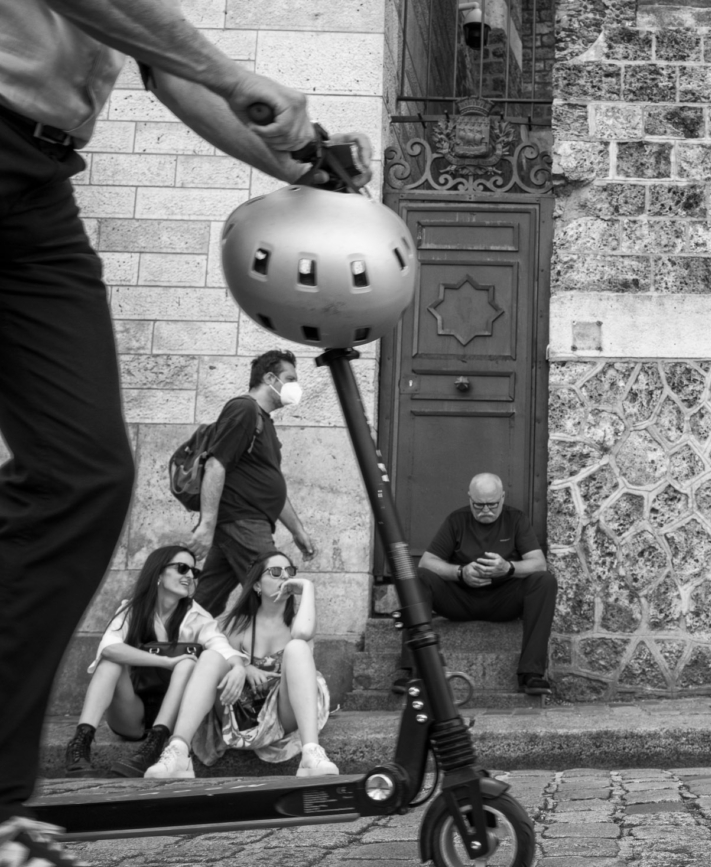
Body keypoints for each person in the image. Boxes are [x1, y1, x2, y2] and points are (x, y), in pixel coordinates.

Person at [0, 0, 370, 855]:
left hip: (41, 181)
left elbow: (166, 69)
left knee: (81, 478)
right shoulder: (245, 409)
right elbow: (194, 65)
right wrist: (232, 72)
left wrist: (307, 172)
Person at [145, 551, 338, 778]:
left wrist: (307, 587)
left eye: (290, 572)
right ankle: (178, 751)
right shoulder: (238, 624)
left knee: (297, 647)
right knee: (210, 656)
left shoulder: (298, 622)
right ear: (257, 584)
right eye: (276, 572)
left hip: (282, 711)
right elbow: (222, 660)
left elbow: (303, 633)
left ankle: (311, 754)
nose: (285, 577)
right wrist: (244, 668)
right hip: (238, 709)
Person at [63, 545, 242, 778]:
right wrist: (165, 662)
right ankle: (80, 743)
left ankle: (156, 744)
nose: (189, 575)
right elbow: (108, 647)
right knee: (110, 662)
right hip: (132, 713)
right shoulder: (132, 610)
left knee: (187, 663)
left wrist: (238, 666)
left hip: (175, 716)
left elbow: (222, 647)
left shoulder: (197, 617)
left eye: (194, 572)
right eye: (182, 568)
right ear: (158, 573)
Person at [399, 473, 557, 696]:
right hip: (460, 599)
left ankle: (531, 674)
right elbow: (427, 562)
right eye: (478, 505)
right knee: (420, 578)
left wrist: (508, 568)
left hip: (503, 601)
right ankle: (411, 671)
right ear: (469, 498)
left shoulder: (516, 519)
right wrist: (460, 572)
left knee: (545, 581)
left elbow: (539, 564)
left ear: (502, 498)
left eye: (492, 504)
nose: (485, 510)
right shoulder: (457, 520)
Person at [190, 350, 317, 616]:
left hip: (242, 524)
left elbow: (270, 485)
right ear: (270, 377)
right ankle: (278, 656)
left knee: (203, 604)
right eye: (290, 378)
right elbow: (216, 465)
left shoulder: (263, 420)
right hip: (243, 521)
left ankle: (172, 645)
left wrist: (297, 530)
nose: (296, 386)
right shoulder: (244, 409)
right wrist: (206, 525)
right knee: (277, 589)